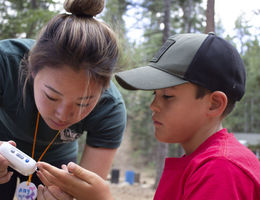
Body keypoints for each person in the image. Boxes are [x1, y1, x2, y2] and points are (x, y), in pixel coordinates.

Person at [36, 32, 260, 200]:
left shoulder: (222, 169)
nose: (153, 106)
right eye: (155, 95)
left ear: (214, 104)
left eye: (168, 96)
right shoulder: (201, 163)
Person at [0, 0, 126, 199]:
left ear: (104, 89)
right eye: (51, 96)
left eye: (83, 103)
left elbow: (89, 188)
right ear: (32, 70)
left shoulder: (109, 109)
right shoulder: (4, 63)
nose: (64, 115)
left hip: (57, 164)